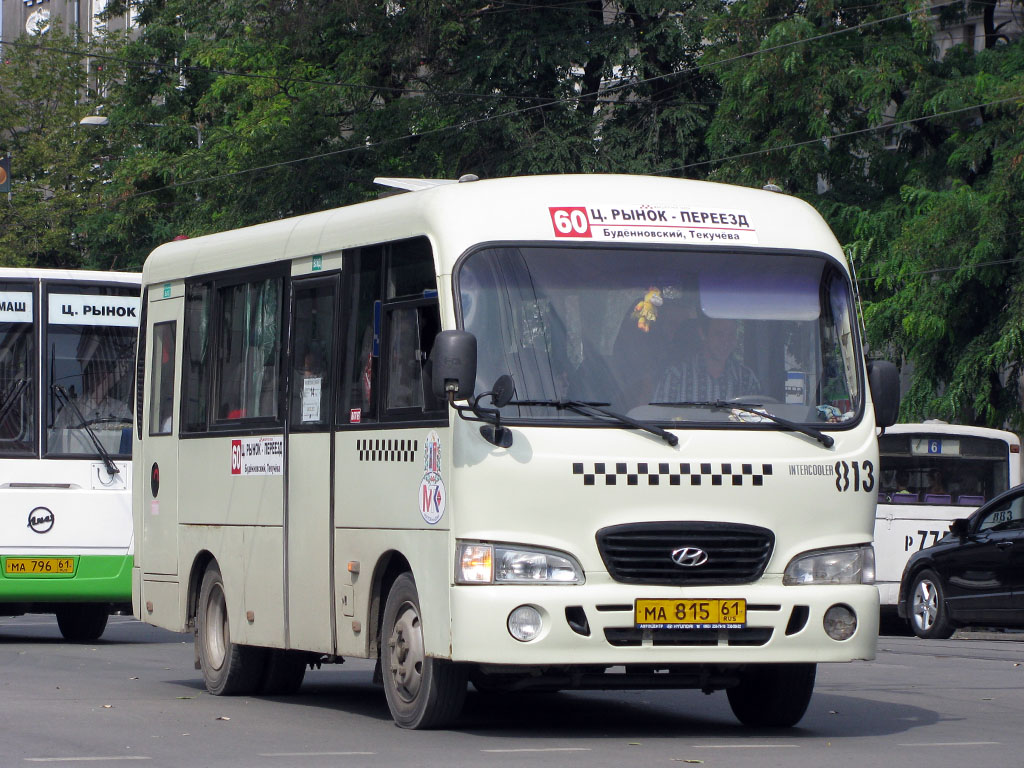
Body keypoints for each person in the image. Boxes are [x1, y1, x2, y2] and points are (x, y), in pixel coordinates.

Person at [652, 316, 760, 402]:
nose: (726, 342)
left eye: (731, 335)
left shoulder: (746, 379)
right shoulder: (676, 376)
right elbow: (659, 420)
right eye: (719, 334)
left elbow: (759, 421)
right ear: (703, 334)